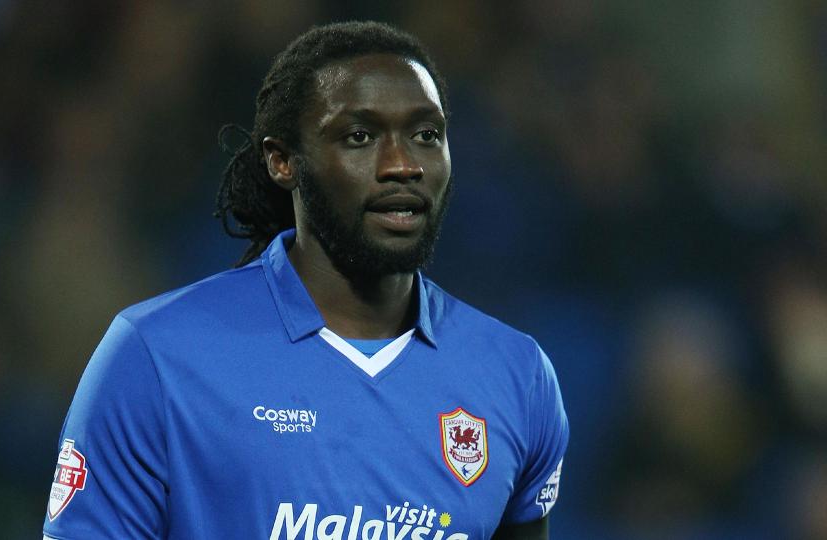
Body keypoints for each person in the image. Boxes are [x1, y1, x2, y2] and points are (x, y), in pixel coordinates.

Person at [43, 21, 568, 540]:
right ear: (282, 161)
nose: (402, 165)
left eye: (426, 135)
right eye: (360, 136)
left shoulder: (518, 376)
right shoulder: (156, 356)